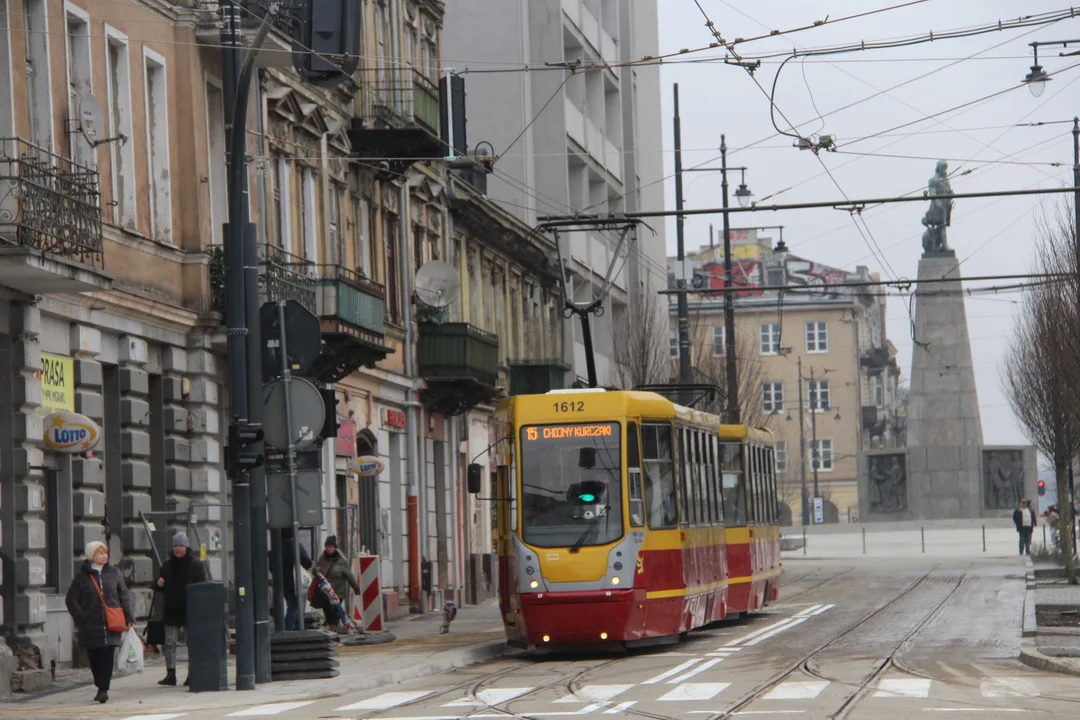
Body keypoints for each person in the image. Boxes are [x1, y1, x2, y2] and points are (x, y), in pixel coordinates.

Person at [65, 541, 134, 704]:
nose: (104, 556)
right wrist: (80, 616)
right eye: (100, 553)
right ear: (91, 556)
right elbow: (71, 598)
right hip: (91, 624)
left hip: (112, 622)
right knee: (95, 657)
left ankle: (103, 689)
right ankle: (99, 682)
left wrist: (129, 616)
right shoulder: (82, 577)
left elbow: (124, 595)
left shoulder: (114, 573)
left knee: (108, 656)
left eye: (105, 553)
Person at [155, 533, 207, 686]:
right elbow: (159, 587)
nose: (177, 549)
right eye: (175, 546)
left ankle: (192, 673)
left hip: (189, 610)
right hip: (171, 609)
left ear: (186, 547)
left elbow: (202, 587)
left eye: (180, 546)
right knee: (169, 642)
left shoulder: (195, 565)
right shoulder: (167, 565)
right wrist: (158, 583)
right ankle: (171, 673)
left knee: (192, 642)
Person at [313, 536, 360, 632]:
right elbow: (317, 572)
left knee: (334, 612)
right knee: (327, 611)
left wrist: (356, 588)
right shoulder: (322, 559)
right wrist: (315, 570)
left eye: (331, 547)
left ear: (335, 548)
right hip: (325, 592)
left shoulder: (341, 561)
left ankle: (333, 628)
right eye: (327, 547)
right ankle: (332, 628)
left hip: (337, 592)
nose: (329, 549)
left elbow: (349, 576)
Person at [280, 528, 313, 631]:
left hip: (282, 582)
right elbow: (307, 562)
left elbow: (272, 567)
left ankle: (291, 627)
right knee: (294, 607)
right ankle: (289, 629)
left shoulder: (277, 546)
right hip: (295, 582)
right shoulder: (295, 545)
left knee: (291, 605)